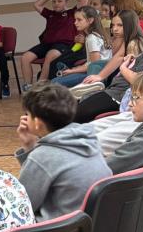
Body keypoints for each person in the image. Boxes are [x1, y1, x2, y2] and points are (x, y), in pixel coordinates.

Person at [14, 84, 111, 220]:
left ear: (37, 122)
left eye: (27, 114)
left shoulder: (42, 156)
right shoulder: (89, 139)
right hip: (88, 224)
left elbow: (23, 205)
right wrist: (30, 146)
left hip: (57, 229)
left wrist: (31, 151)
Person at [76, 10, 143, 123]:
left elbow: (141, 81)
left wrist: (123, 67)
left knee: (73, 116)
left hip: (118, 95)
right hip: (117, 93)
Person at [17, 0, 84, 86]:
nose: (56, 4)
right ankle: (27, 85)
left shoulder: (71, 13)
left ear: (66, 2)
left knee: (50, 55)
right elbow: (36, 4)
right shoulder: (49, 14)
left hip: (63, 44)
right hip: (46, 44)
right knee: (25, 57)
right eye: (54, 1)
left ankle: (40, 85)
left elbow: (84, 0)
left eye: (60, 1)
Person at [51, 6, 109, 89]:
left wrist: (72, 71)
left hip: (94, 75)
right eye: (75, 20)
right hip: (96, 71)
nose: (75, 23)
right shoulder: (96, 35)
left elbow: (95, 65)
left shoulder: (92, 38)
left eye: (79, 20)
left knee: (54, 82)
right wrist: (76, 69)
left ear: (90, 20)